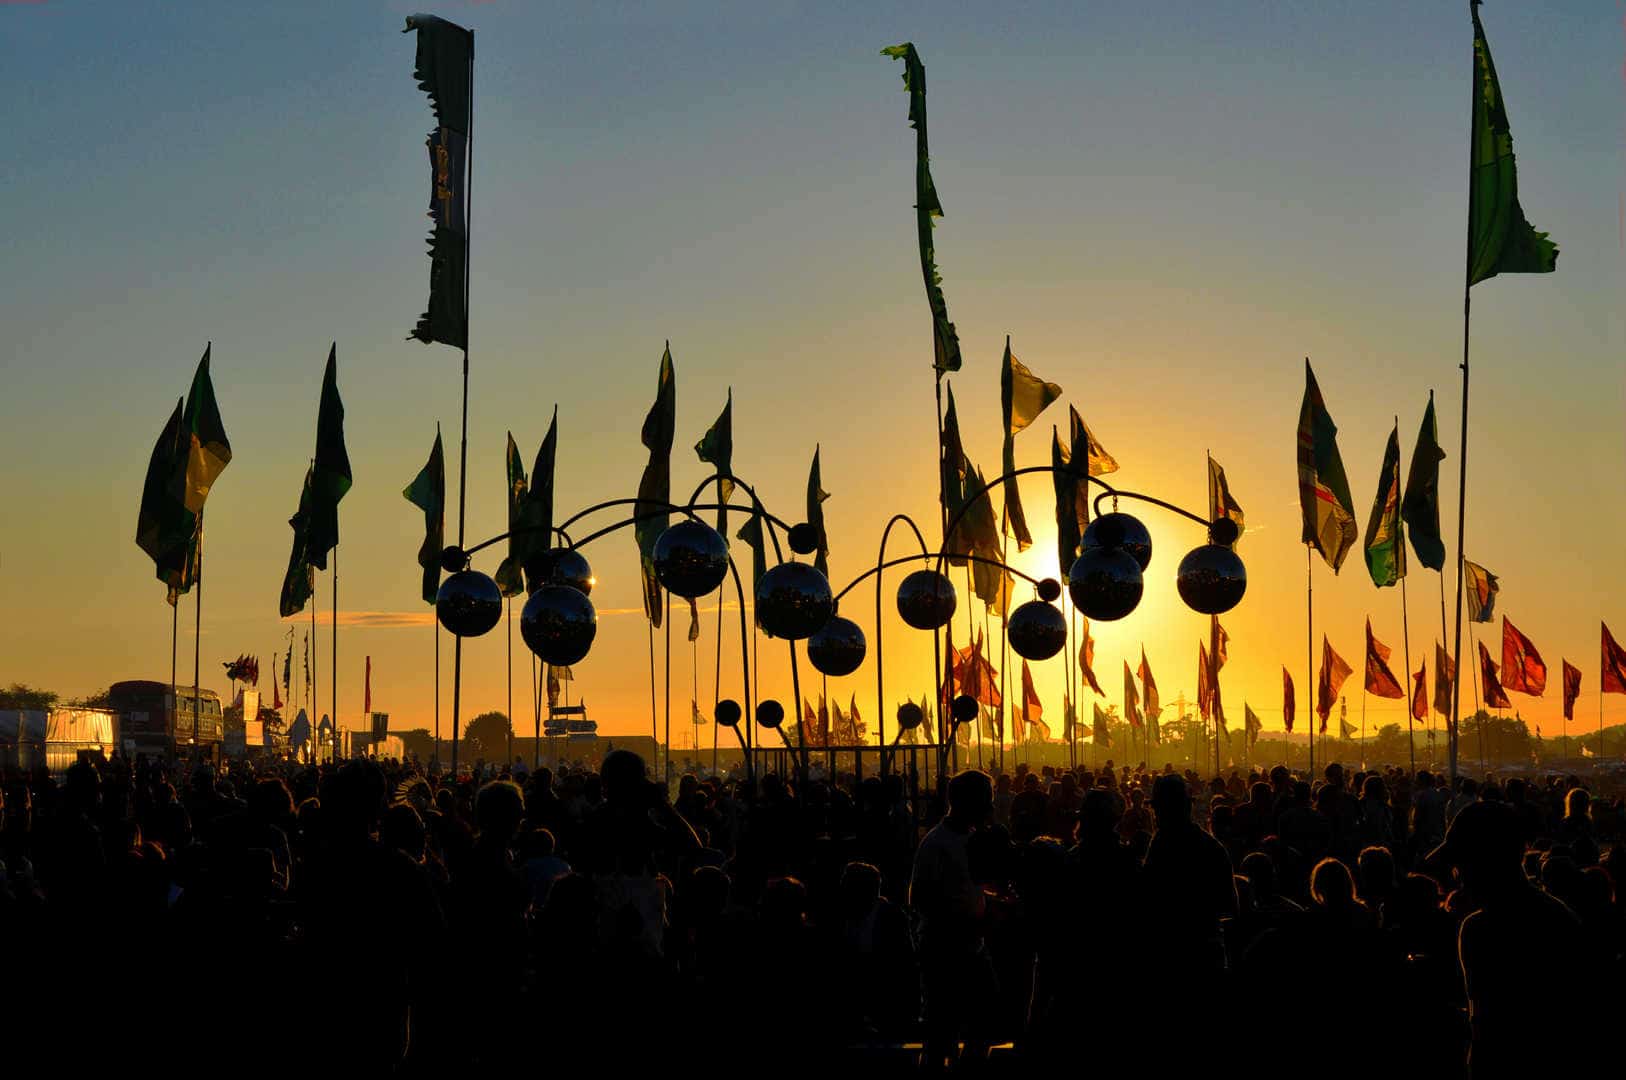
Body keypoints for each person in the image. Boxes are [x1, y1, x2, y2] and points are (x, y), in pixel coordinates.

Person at [909, 769, 995, 1071]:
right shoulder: (937, 844)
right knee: (941, 1028)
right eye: (986, 800)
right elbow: (920, 899)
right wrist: (963, 923)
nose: (991, 807)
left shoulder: (971, 838)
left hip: (972, 946)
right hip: (944, 948)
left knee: (980, 1024)